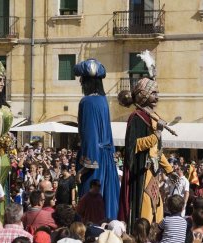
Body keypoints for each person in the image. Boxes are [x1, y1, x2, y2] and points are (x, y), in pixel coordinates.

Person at [118, 77, 179, 225]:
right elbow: (134, 145)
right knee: (145, 206)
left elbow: (157, 151)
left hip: (154, 172)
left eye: (157, 93)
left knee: (156, 206)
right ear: (144, 95)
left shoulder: (152, 117)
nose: (157, 97)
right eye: (153, 93)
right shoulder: (137, 117)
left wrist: (169, 170)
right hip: (141, 171)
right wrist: (156, 134)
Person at [74, 58, 120, 220]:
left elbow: (90, 136)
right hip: (107, 159)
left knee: (90, 210)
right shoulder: (103, 101)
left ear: (87, 82)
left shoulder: (87, 102)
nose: (81, 83)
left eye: (82, 80)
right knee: (107, 205)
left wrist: (84, 168)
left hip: (95, 163)